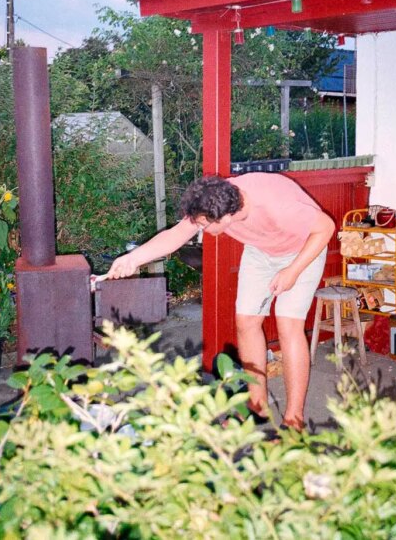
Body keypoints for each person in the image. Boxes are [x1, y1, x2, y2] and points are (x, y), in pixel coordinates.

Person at [101, 173, 335, 430]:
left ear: (226, 217)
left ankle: (294, 419)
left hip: (303, 250)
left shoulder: (275, 203)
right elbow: (176, 234)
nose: (200, 230)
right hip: (261, 252)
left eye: (204, 227)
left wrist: (292, 271)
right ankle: (257, 407)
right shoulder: (213, 202)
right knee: (246, 323)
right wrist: (133, 259)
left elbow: (325, 228)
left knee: (288, 325)